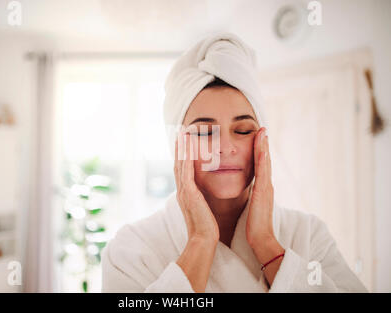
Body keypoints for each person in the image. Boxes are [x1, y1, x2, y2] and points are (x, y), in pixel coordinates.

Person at [101, 32, 368, 293]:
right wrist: (200, 242)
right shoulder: (130, 250)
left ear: (262, 139)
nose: (225, 148)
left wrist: (267, 245)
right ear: (177, 145)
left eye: (242, 130)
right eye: (205, 132)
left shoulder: (307, 234)